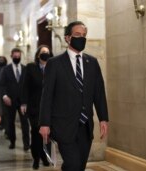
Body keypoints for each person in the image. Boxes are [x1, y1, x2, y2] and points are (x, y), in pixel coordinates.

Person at [39, 21, 109, 171]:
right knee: (73, 164)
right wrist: (44, 123)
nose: (81, 38)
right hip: (63, 125)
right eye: (77, 35)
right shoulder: (54, 63)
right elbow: (47, 95)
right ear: (67, 38)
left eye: (84, 35)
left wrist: (103, 118)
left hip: (85, 125)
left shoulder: (92, 62)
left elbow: (99, 93)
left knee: (80, 166)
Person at [20, 45, 52, 169]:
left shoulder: (53, 67)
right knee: (36, 133)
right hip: (34, 107)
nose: (45, 54)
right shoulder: (30, 68)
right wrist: (23, 103)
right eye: (43, 52)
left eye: (47, 53)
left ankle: (44, 155)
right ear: (38, 55)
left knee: (47, 134)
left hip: (49, 108)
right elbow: (24, 86)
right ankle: (36, 158)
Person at [0, 48, 30, 150]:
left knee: (25, 123)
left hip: (23, 101)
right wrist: (4, 96)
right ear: (11, 56)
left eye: (19, 56)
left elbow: (27, 86)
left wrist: (26, 101)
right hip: (10, 100)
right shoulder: (6, 69)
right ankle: (12, 141)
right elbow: (1, 85)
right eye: (15, 56)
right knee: (10, 122)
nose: (17, 58)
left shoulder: (25, 69)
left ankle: (26, 144)